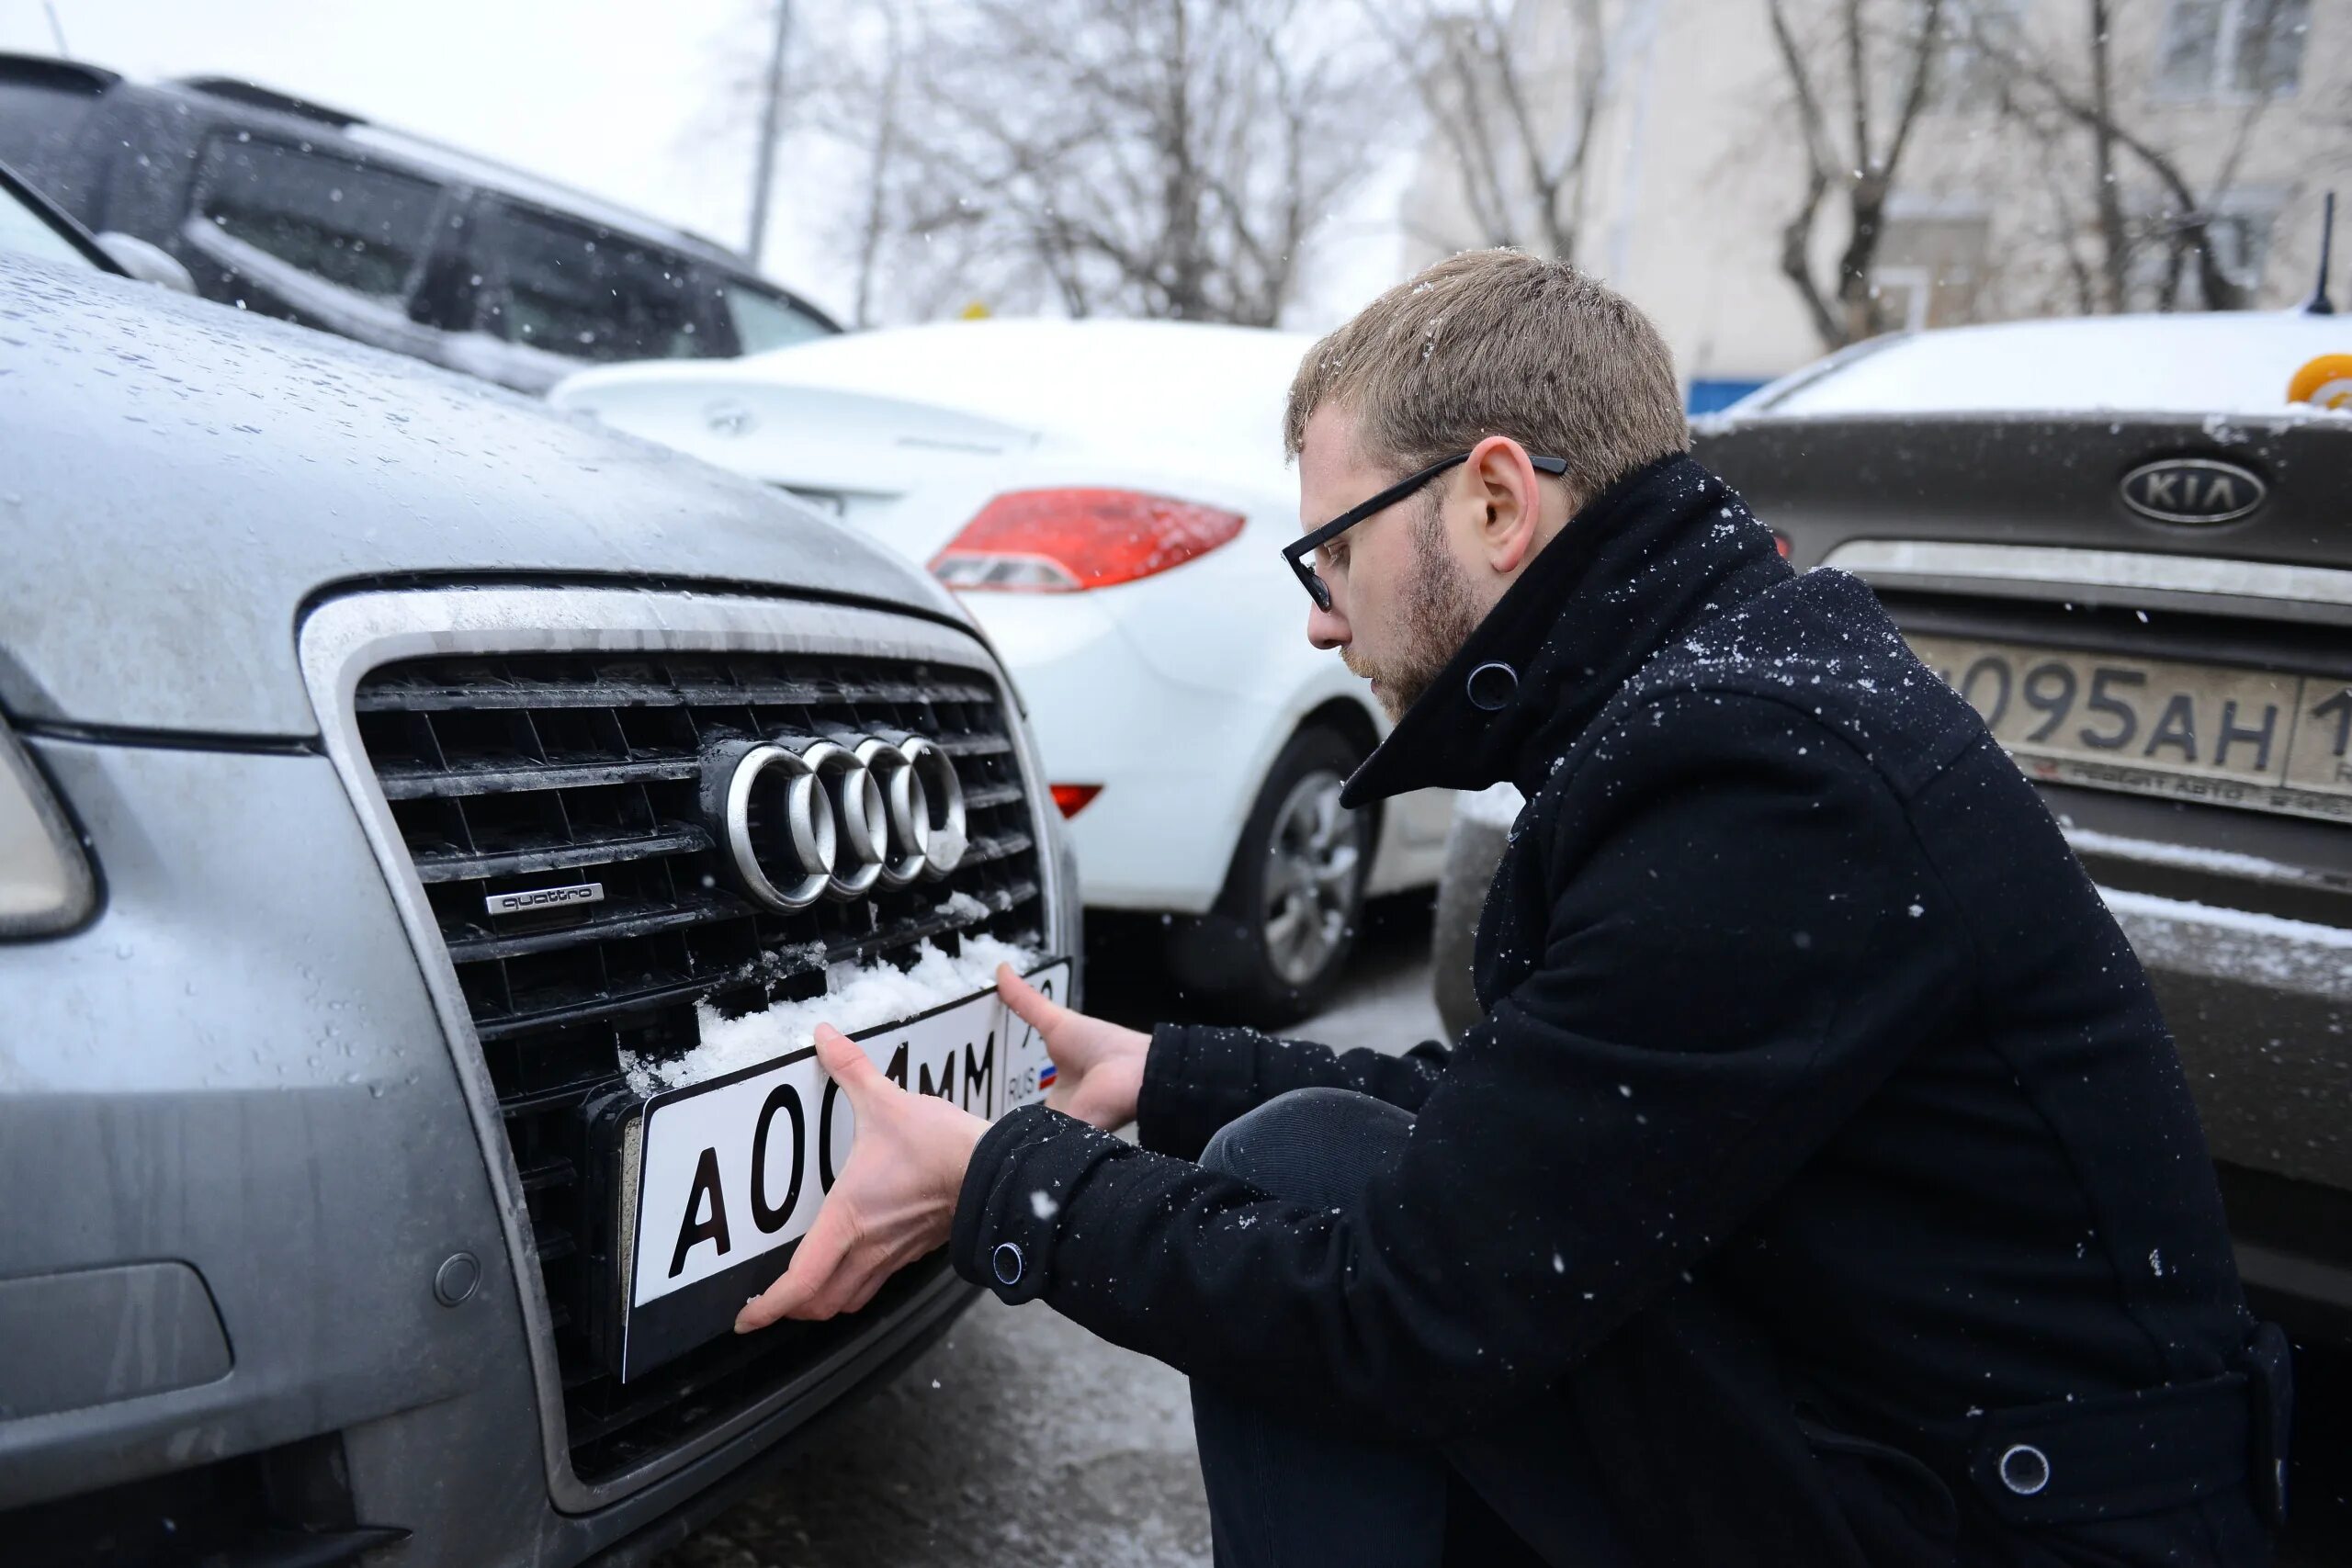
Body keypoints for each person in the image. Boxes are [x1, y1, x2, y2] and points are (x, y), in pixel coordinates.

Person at [734, 250, 2290, 1566]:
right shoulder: (1723, 700)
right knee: (1308, 1156)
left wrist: (1007, 1186)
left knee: (1315, 1218)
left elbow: (1421, 1305)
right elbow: (1551, 1132)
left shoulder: (1759, 773)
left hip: (2010, 1527)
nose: (1326, 615)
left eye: (1334, 548)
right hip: (1906, 1441)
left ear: (1493, 503)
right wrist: (1176, 1075)